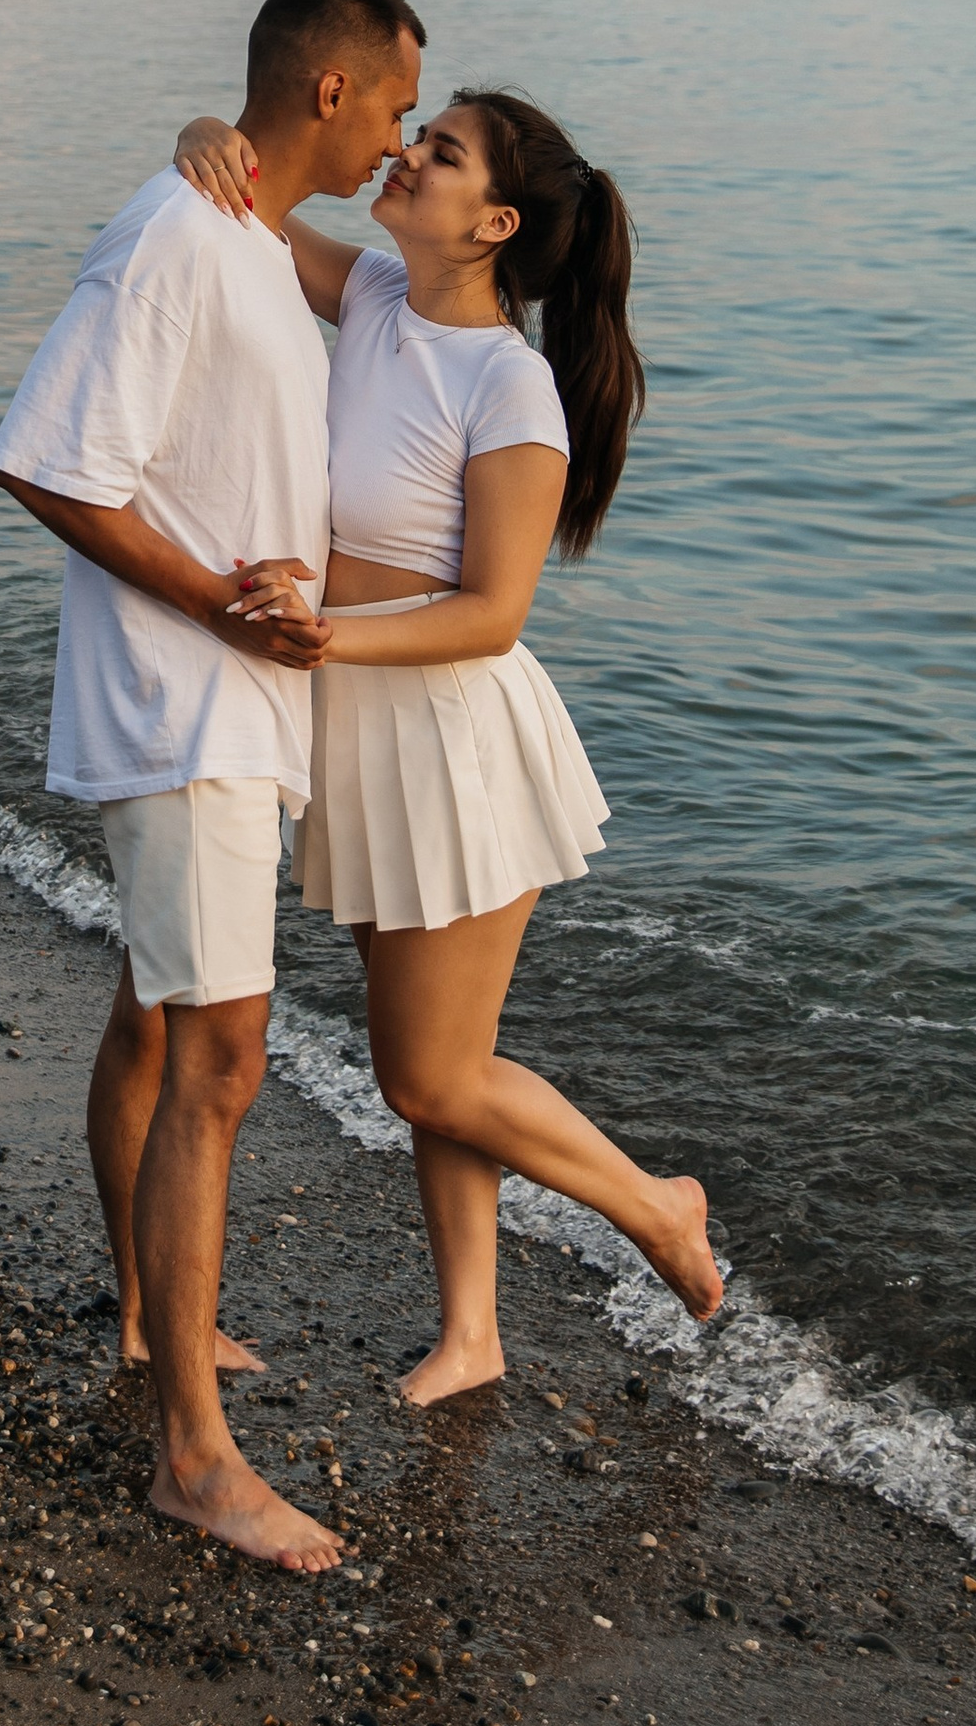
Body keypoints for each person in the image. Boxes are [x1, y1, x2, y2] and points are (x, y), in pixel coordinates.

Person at [173, 87, 721, 1406]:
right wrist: (203, 139)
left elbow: (493, 614)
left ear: (495, 224)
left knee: (428, 1075)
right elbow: (249, 215)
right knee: (444, 1066)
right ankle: (473, 1333)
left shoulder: (511, 385)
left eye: (444, 151)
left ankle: (657, 1206)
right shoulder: (372, 295)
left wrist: (325, 636)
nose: (408, 155)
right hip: (359, 732)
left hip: (450, 743)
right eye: (421, 137)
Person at [0, 0, 425, 1569]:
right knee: (221, 1063)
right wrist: (218, 607)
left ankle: (143, 1319)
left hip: (225, 712)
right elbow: (48, 464)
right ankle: (192, 1454)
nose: (398, 141)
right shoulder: (177, 234)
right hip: (186, 712)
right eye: (394, 106)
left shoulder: (249, 235)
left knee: (160, 1020)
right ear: (329, 88)